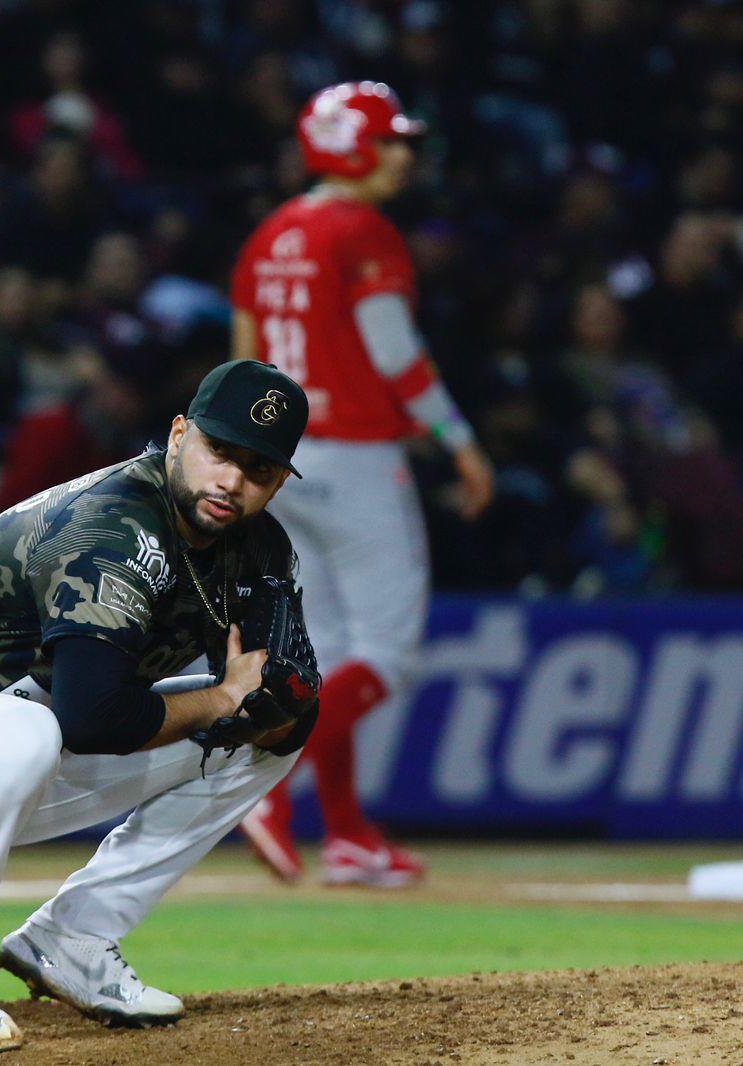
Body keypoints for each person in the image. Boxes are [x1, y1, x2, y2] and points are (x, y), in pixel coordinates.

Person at [0, 360, 317, 1052]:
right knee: (31, 728)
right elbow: (93, 718)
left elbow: (272, 701)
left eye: (258, 469)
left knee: (254, 738)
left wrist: (275, 706)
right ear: (178, 435)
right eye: (219, 451)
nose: (231, 480)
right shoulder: (115, 524)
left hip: (15, 749)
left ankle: (75, 938)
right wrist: (222, 698)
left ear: (280, 481)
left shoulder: (256, 548)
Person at [229, 81, 494, 887]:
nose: (403, 156)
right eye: (390, 140)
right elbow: (393, 351)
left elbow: (241, 359)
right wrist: (459, 441)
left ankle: (347, 834)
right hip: (352, 451)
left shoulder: (270, 234)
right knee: (386, 653)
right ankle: (263, 786)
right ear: (348, 145)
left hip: (277, 460)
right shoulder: (362, 229)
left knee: (333, 649)